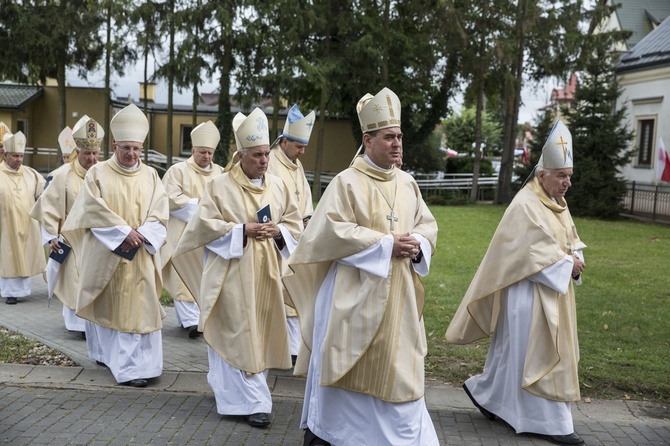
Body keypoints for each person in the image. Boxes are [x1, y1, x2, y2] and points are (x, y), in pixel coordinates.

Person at [284, 87, 439, 445]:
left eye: (399, 136)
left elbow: (427, 224)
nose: (397, 143)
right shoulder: (346, 182)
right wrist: (386, 244)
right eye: (389, 137)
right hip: (352, 297)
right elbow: (328, 232)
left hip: (399, 297)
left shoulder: (408, 182)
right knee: (349, 367)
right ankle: (335, 434)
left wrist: (418, 247)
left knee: (398, 372)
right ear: (368, 140)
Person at [445, 120, 586, 446]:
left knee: (516, 355)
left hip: (553, 292)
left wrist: (577, 263)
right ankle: (547, 422)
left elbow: (572, 241)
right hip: (527, 295)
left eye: (569, 176)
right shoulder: (526, 204)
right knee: (530, 355)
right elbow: (528, 252)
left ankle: (489, 395)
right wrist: (569, 265)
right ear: (542, 175)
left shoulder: (559, 204)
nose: (567, 183)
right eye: (561, 176)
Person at [173, 107, 302, 428]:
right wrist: (241, 230)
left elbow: (294, 224)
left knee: (258, 333)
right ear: (240, 155)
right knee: (234, 333)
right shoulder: (219, 186)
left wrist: (279, 232)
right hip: (230, 273)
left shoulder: (278, 186)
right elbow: (201, 228)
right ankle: (248, 401)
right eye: (257, 155)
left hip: (267, 274)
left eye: (265, 154)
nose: (264, 160)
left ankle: (240, 396)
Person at [62, 103, 169, 388]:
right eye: (126, 148)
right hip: (108, 253)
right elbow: (90, 210)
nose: (132, 154)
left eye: (136, 148)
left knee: (140, 309)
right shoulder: (98, 173)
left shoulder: (151, 175)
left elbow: (161, 212)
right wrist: (123, 232)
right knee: (114, 307)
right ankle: (125, 367)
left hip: (141, 253)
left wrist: (143, 234)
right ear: (114, 144)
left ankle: (146, 365)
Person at [30, 118, 103, 337]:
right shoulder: (62, 175)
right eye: (86, 154)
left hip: (99, 239)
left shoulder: (104, 173)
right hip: (70, 239)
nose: (91, 159)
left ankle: (93, 321)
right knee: (74, 281)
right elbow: (47, 207)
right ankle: (78, 326)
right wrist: (52, 235)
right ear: (77, 152)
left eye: (95, 154)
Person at [160, 120, 224, 338]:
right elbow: (169, 199)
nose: (206, 156)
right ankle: (189, 322)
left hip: (210, 237)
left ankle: (199, 319)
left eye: (210, 152)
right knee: (183, 279)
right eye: (202, 152)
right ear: (193, 149)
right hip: (183, 236)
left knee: (206, 277)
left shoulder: (221, 173)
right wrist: (203, 206)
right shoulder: (177, 171)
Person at [267, 104, 316, 364]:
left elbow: (304, 198)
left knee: (295, 287)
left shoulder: (296, 164)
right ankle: (282, 347)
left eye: (304, 147)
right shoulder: (271, 162)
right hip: (277, 237)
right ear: (285, 141)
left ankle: (294, 348)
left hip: (297, 236)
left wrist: (307, 219)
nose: (302, 151)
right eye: (299, 146)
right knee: (279, 289)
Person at [0, 131, 46, 305]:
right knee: (8, 255)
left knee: (23, 255)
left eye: (21, 156)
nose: (19, 159)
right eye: (15, 156)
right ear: (5, 155)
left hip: (28, 224)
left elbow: (44, 195)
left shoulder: (31, 174)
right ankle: (9, 293)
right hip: (5, 225)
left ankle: (22, 290)